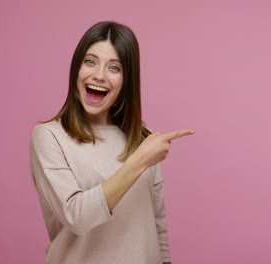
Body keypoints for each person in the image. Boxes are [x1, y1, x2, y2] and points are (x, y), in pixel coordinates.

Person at [30, 21, 194, 264]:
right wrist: (137, 162)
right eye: (90, 61)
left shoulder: (141, 137)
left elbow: (157, 223)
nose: (99, 75)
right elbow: (77, 217)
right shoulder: (49, 136)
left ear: (126, 81)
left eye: (114, 68)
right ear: (77, 68)